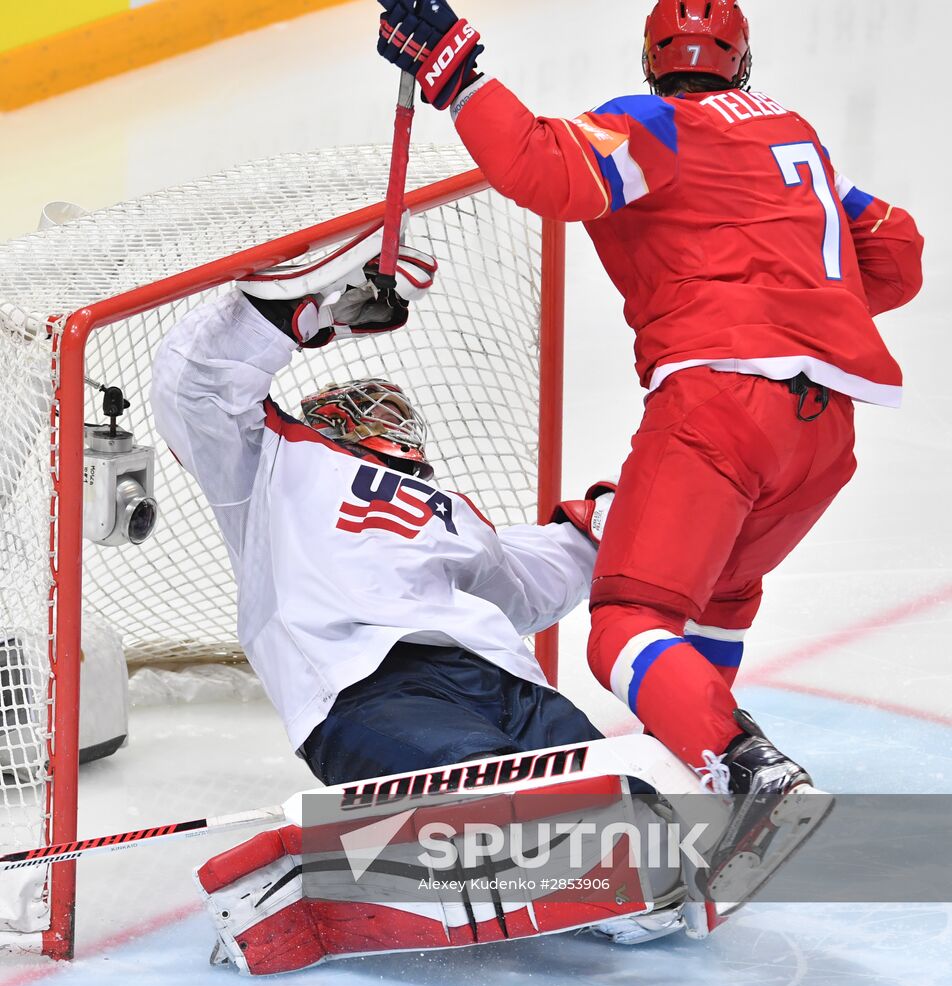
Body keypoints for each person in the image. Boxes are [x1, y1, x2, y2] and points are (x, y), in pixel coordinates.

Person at [375, 0, 925, 896]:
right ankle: (708, 778)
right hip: (824, 435)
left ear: (651, 59)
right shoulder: (796, 139)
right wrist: (792, 284)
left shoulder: (653, 124)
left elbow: (544, 170)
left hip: (719, 408)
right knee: (718, 595)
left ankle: (748, 770)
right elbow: (896, 253)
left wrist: (453, 66)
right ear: (742, 63)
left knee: (626, 622)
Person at [151, 228, 710, 974]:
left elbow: (520, 585)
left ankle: (615, 885)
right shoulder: (270, 463)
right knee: (486, 797)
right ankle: (339, 883)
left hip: (504, 682)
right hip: (369, 689)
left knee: (608, 791)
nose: (390, 418)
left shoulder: (446, 506)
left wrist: (608, 528)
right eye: (367, 408)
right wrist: (306, 307)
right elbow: (195, 384)